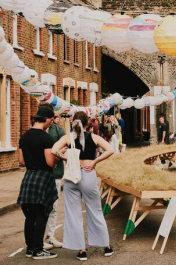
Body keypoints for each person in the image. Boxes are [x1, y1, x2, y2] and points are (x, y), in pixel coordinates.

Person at [52, 111, 115, 261]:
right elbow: (110, 150)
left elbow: (54, 150)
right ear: (88, 123)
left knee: (73, 214)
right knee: (95, 210)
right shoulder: (94, 137)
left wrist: (65, 157)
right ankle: (106, 246)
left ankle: (81, 250)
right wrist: (94, 162)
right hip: (87, 173)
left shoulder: (68, 138)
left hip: (71, 177)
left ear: (74, 123)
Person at [18, 106, 59, 259]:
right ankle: (38, 250)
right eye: (51, 120)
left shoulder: (24, 136)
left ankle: (30, 248)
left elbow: (22, 161)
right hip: (43, 178)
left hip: (29, 177)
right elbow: (49, 162)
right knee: (42, 214)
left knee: (30, 216)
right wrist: (57, 158)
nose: (51, 123)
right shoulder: (46, 138)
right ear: (47, 119)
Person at [42, 105, 66, 250]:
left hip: (56, 175)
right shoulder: (36, 130)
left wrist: (56, 158)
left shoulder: (59, 130)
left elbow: (65, 149)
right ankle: (39, 238)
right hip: (41, 174)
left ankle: (50, 236)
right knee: (41, 207)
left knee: (53, 207)